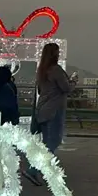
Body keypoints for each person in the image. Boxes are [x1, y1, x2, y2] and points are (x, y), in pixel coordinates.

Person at [24, 43, 77, 185]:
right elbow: (66, 88)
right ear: (54, 54)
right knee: (54, 142)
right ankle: (33, 170)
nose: (59, 55)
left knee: (47, 142)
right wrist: (73, 82)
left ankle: (38, 170)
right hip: (55, 111)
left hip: (42, 110)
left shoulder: (42, 71)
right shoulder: (56, 70)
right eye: (57, 52)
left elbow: (41, 91)